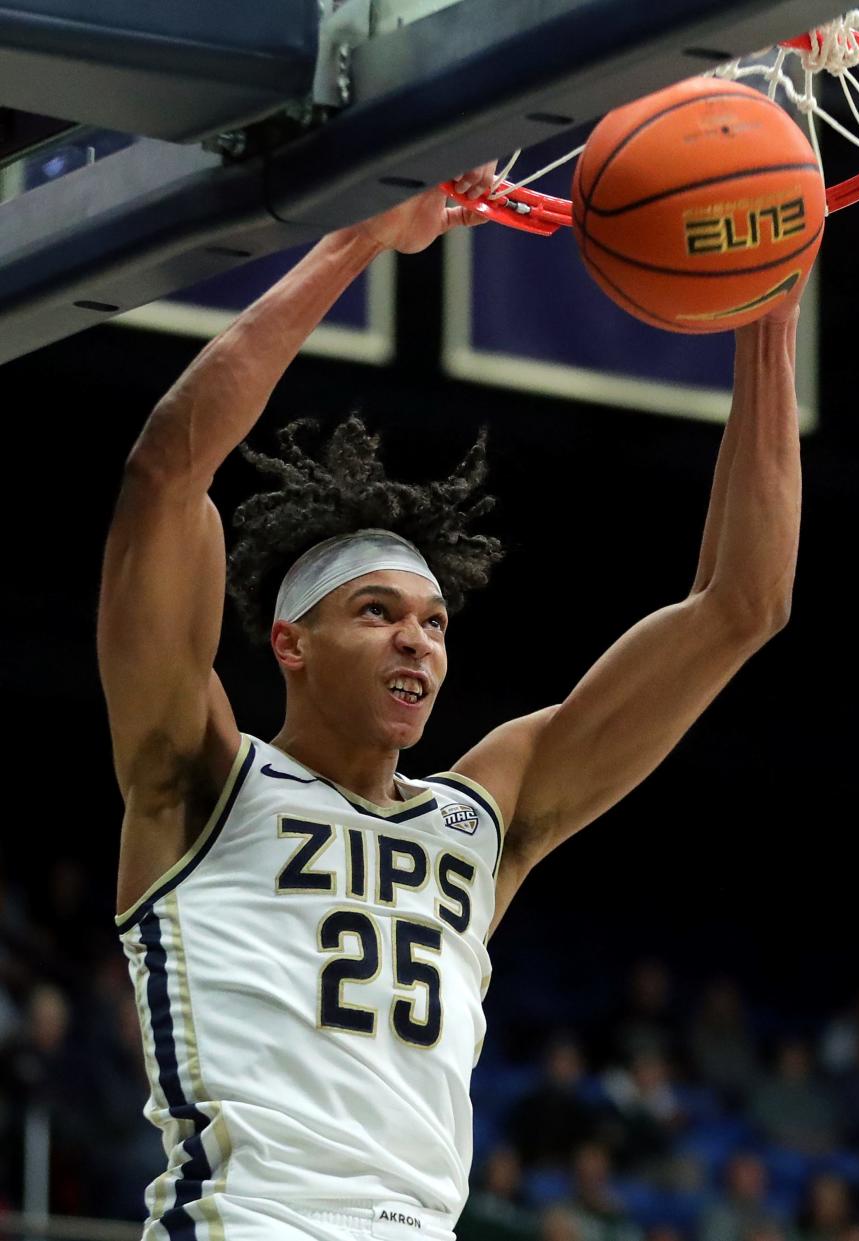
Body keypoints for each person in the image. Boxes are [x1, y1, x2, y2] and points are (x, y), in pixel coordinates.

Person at [97, 165, 806, 1241]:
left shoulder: (481, 817)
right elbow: (166, 475)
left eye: (433, 621)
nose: (417, 641)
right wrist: (357, 241)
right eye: (377, 611)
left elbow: (741, 604)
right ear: (291, 642)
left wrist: (768, 310)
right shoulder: (198, 772)